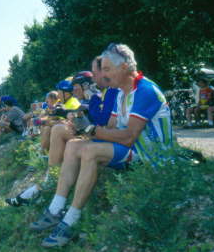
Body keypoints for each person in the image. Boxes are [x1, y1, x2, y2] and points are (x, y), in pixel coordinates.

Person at [29, 43, 172, 248]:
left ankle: (70, 219)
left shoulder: (145, 91)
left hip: (152, 154)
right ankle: (55, 208)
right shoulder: (122, 92)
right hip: (133, 148)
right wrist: (84, 129)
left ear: (124, 67)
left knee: (90, 150)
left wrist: (91, 131)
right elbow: (111, 126)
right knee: (73, 146)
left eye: (106, 69)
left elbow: (128, 137)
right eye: (102, 70)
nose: (104, 76)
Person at [5, 58, 118, 207]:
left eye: (75, 87)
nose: (73, 90)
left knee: (57, 129)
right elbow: (89, 115)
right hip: (97, 135)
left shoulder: (105, 93)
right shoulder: (97, 96)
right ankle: (48, 176)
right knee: (56, 129)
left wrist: (67, 116)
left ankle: (49, 178)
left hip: (106, 139)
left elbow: (98, 119)